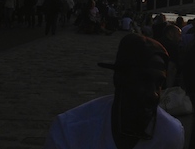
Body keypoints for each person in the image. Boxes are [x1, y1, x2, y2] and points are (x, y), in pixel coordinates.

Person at [44, 33, 184, 149]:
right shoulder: (69, 129)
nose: (154, 94)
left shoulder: (170, 133)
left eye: (159, 83)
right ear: (118, 79)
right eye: (144, 80)